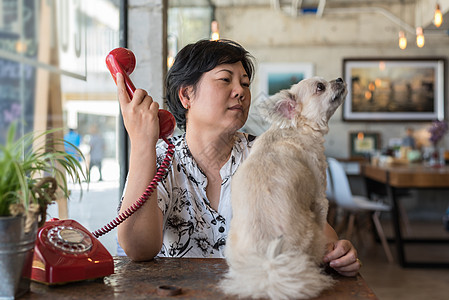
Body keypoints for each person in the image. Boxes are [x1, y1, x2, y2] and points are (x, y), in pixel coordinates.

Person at [117, 39, 361, 277]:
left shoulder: (272, 154)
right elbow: (139, 248)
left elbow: (314, 229)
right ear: (186, 95)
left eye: (245, 84)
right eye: (225, 80)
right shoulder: (160, 160)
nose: (240, 92)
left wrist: (337, 251)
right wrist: (141, 145)